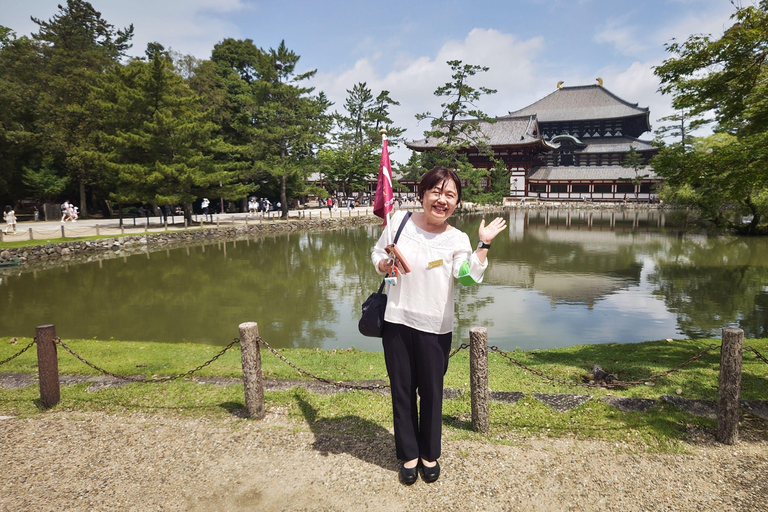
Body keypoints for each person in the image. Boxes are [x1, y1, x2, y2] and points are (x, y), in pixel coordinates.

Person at [370, 167, 507, 485]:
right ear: (422, 194)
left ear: (457, 203)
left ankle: (429, 453)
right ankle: (409, 454)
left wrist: (482, 246)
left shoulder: (458, 238)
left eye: (450, 195)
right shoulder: (399, 223)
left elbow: (467, 276)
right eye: (436, 191)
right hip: (397, 321)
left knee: (431, 393)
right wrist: (383, 264)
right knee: (402, 391)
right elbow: (378, 253)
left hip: (435, 327)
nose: (442, 200)